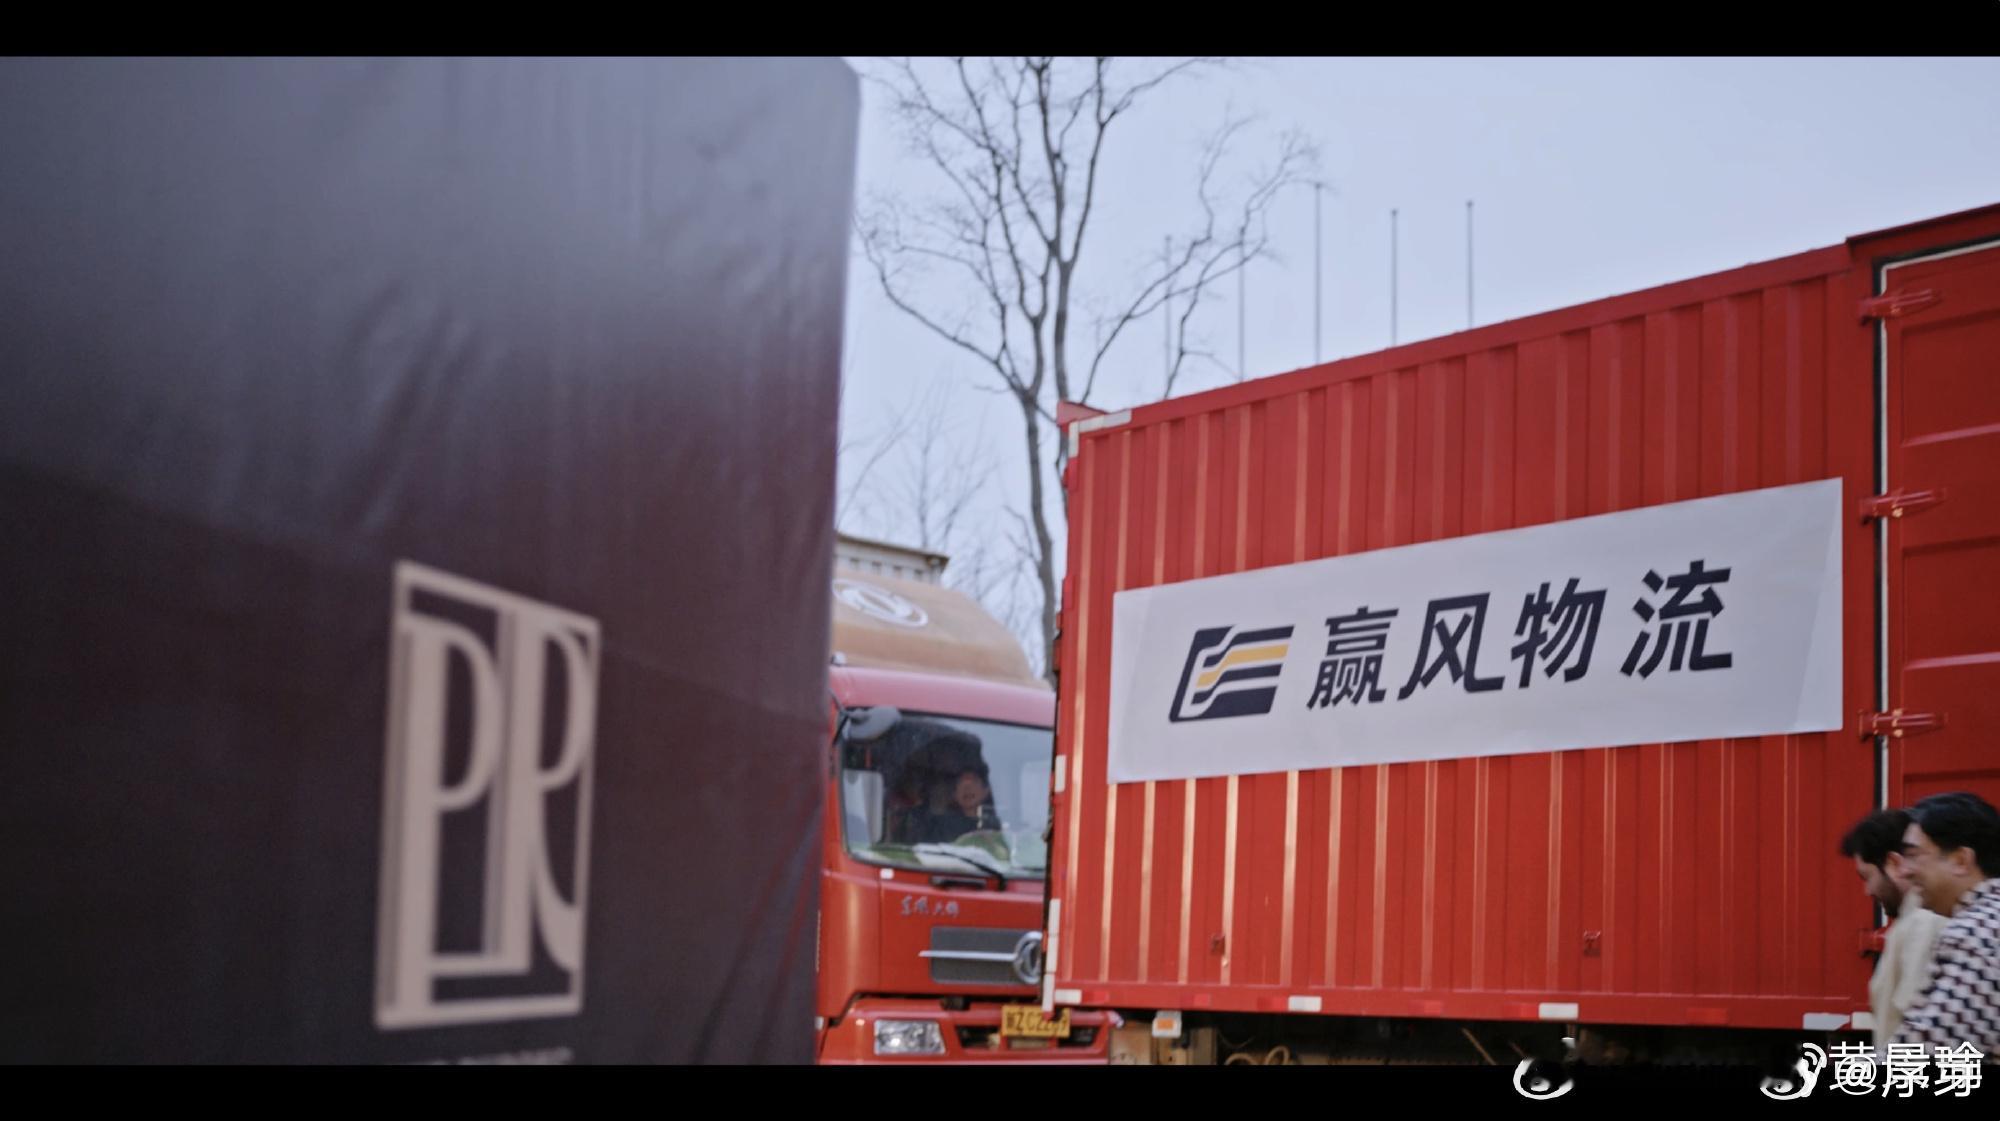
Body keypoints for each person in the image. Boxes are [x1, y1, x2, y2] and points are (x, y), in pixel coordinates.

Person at [1889, 792, 2000, 1057]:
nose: (1904, 871)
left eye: (1914, 855)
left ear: (1960, 860)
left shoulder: (1978, 931)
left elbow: (1926, 1052)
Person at [1840, 807, 1947, 1049]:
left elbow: (1917, 1032)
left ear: (1894, 863)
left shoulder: (1922, 924)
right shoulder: (1918, 920)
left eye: (1867, 877)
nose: (1867, 890)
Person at [920, 768, 997, 843]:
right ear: (954, 794)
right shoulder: (943, 827)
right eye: (960, 784)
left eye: (974, 783)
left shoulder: (997, 823)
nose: (967, 789)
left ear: (986, 790)